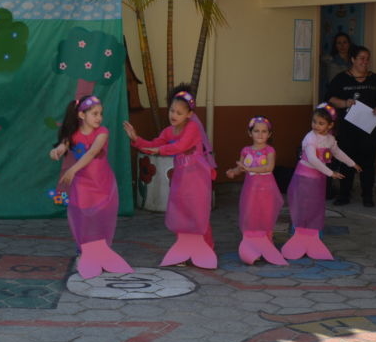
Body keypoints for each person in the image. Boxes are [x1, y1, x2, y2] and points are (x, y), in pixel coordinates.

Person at [124, 86, 216, 269]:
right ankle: (184, 250)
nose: (174, 115)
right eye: (172, 110)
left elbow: (179, 147)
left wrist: (160, 150)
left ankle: (206, 248)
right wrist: (136, 139)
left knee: (198, 213)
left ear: (189, 114)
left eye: (179, 112)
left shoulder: (193, 128)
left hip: (197, 177)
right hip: (181, 177)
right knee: (182, 212)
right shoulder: (168, 131)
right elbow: (152, 145)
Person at [49, 95, 131, 279]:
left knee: (101, 218)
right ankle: (84, 253)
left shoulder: (102, 132)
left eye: (100, 114)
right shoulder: (73, 135)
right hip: (83, 186)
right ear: (81, 115)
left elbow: (93, 152)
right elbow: (62, 147)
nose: (99, 117)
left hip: (102, 183)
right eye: (94, 114)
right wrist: (56, 151)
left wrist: (73, 169)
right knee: (84, 220)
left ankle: (101, 253)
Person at [283, 105, 359, 261]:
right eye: (314, 122)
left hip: (318, 179)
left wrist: (352, 164)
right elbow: (312, 159)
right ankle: (297, 234)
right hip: (304, 179)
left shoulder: (330, 139)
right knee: (302, 205)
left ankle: (313, 235)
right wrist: (331, 173)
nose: (316, 126)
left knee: (316, 206)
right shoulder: (310, 138)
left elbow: (337, 152)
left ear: (330, 125)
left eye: (321, 123)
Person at [326, 46, 376, 207]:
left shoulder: (375, 79)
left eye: (367, 58)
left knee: (368, 163)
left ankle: (367, 196)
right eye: (361, 58)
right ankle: (344, 195)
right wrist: (345, 103)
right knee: (347, 161)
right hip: (348, 129)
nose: (365, 62)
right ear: (353, 60)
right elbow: (330, 98)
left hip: (370, 129)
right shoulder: (341, 79)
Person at [225, 116, 284, 266]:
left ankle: (267, 244)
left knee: (265, 215)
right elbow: (241, 168)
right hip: (251, 191)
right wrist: (233, 171)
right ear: (249, 133)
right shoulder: (245, 151)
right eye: (256, 131)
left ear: (269, 134)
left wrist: (249, 168)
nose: (260, 134)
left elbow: (268, 167)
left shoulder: (270, 150)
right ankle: (251, 246)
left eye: (264, 131)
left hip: (267, 190)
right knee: (250, 214)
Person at [320, 32, 352, 101]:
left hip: (350, 94)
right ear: (335, 45)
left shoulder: (354, 60)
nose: (342, 45)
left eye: (345, 42)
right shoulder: (329, 59)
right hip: (334, 95)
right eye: (339, 43)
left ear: (349, 44)